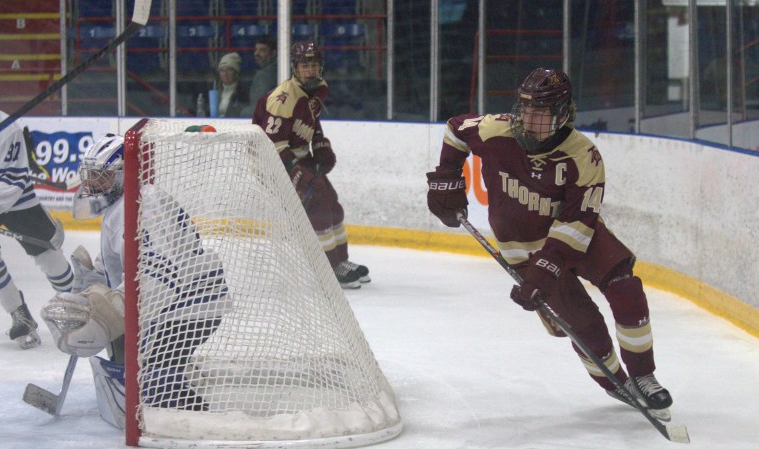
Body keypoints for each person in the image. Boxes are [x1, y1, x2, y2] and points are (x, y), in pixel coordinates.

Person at [426, 67, 674, 421]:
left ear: (563, 113)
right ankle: (615, 382)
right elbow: (455, 128)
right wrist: (446, 178)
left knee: (626, 289)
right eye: (525, 109)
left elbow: (577, 224)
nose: (529, 118)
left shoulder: (584, 156)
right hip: (521, 246)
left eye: (540, 112)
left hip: (578, 237)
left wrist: (546, 269)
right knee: (581, 322)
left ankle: (643, 375)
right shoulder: (496, 129)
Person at [40, 134, 230, 428]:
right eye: (89, 176)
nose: (91, 185)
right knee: (126, 358)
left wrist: (114, 307)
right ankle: (161, 384)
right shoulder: (121, 206)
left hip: (190, 305)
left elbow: (159, 274)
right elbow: (121, 267)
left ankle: (197, 421)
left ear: (122, 174)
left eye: (100, 177)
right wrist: (91, 281)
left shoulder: (145, 205)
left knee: (152, 382)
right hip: (168, 303)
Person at [251, 40, 369, 289]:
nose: (311, 70)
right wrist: (297, 170)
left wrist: (320, 144)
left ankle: (340, 261)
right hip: (274, 164)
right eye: (305, 66)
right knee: (317, 209)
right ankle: (327, 269)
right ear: (295, 68)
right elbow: (271, 144)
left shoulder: (318, 88)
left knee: (333, 206)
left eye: (314, 65)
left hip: (298, 158)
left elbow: (310, 121)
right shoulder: (282, 99)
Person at [0, 59, 73, 349]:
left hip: (16, 199)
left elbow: (15, 175)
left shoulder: (5, 127)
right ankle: (19, 314)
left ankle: (76, 304)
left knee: (48, 254)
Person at [241, 35, 278, 117]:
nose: (256, 53)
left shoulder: (264, 76)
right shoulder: (278, 70)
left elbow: (257, 109)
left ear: (273, 53)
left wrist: (239, 113)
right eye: (256, 50)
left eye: (262, 50)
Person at [214, 52, 245, 117]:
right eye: (222, 70)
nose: (225, 74)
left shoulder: (243, 93)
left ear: (236, 72)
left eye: (229, 70)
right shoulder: (215, 92)